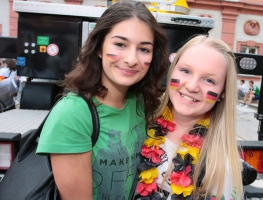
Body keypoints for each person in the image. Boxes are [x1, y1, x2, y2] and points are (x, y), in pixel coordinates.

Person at [36, 2, 168, 200]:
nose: (132, 59)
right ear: (99, 48)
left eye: (144, 49)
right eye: (120, 44)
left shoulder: (142, 103)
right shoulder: (73, 114)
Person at [135, 35, 243, 200]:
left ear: (222, 93)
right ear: (172, 71)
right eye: (185, 71)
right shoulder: (140, 124)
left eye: (209, 80)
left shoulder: (221, 164)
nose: (192, 86)